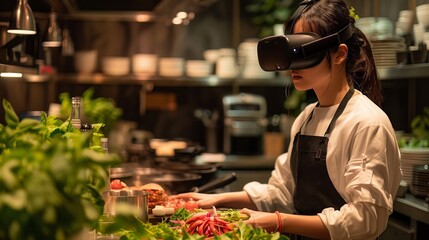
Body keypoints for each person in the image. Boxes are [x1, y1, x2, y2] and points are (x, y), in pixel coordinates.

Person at [173, 0, 402, 239]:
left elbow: (365, 220)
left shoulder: (367, 123)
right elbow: (282, 192)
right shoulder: (306, 118)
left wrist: (279, 222)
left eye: (303, 49)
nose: (292, 63)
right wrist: (214, 199)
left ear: (339, 54)